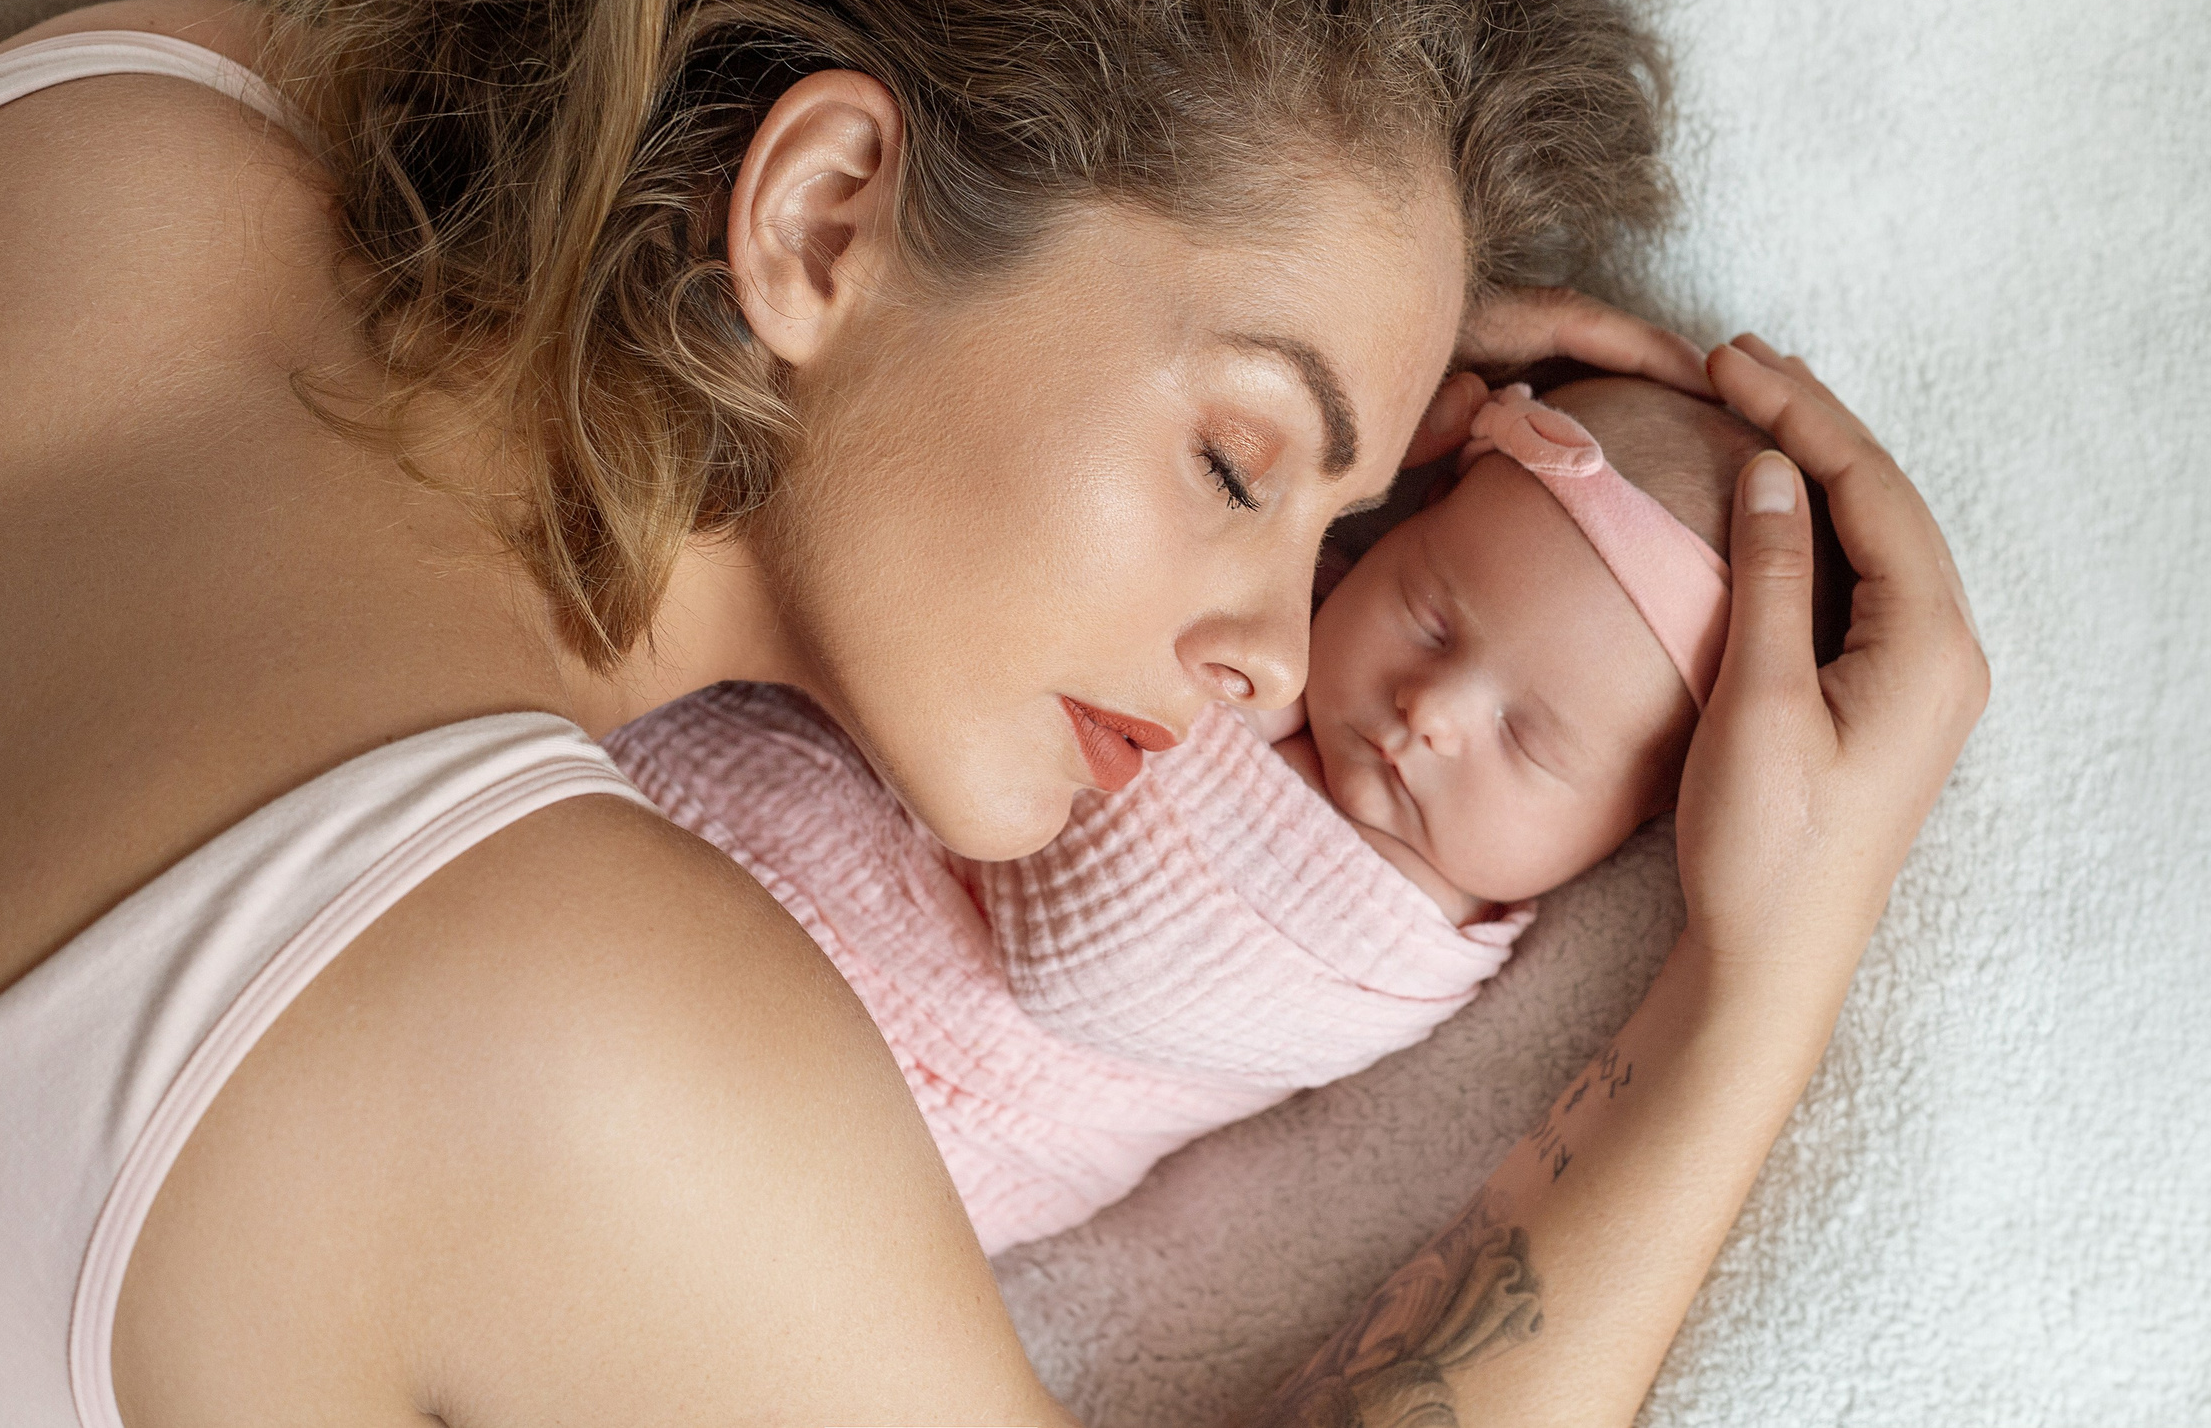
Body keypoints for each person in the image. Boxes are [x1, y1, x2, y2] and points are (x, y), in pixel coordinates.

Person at [0, 0, 1987, 1424]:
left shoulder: (129, 131)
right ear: (825, 215)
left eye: (1338, 528)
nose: (1273, 659)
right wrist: (1761, 979)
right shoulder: (601, 1042)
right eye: (1231, 457)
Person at [609, 372, 1854, 1255]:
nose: (1430, 709)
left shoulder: (1391, 939)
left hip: (830, 1138)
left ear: (1636, 823)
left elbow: (1088, 956)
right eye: (1427, 609)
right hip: (666, 844)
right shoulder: (1288, 633)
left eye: (1529, 739)